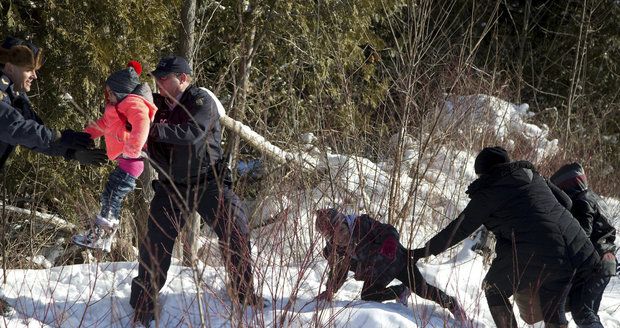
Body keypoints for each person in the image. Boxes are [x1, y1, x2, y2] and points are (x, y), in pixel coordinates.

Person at [129, 55, 264, 325]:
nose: (159, 83)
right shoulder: (153, 105)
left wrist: (150, 130)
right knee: (155, 243)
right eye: (156, 78)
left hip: (209, 183)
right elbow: (126, 108)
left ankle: (244, 294)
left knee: (236, 230)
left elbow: (192, 132)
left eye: (164, 78)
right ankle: (143, 305)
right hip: (171, 186)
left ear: (183, 78)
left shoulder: (201, 100)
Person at [411, 147, 601, 328]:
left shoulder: (489, 191)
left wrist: (424, 251)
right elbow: (566, 202)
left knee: (494, 289)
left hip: (540, 250)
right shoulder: (533, 176)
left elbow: (458, 229)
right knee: (553, 308)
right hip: (580, 247)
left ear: (484, 172)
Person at [0, 36, 107, 317]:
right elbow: (18, 129)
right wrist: (62, 138)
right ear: (9, 65)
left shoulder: (14, 94)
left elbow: (37, 132)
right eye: (29, 68)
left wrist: (71, 152)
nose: (35, 75)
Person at [314, 208, 467, 321]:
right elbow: (340, 269)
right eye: (333, 236)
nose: (340, 237)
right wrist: (330, 290)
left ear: (346, 222)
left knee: (422, 290)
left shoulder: (362, 224)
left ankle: (452, 304)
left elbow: (388, 230)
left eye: (341, 229)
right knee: (368, 296)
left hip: (397, 260)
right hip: (377, 271)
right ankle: (401, 291)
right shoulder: (336, 250)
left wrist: (390, 243)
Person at [72, 61, 157, 252]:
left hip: (133, 161)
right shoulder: (115, 108)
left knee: (112, 194)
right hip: (127, 161)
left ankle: (102, 235)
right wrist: (84, 136)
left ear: (121, 91)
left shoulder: (133, 103)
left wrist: (133, 149)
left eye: (110, 91)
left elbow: (142, 123)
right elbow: (102, 124)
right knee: (111, 194)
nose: (107, 95)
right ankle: (103, 235)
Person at [551, 162, 617, 327]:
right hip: (607, 262)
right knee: (588, 313)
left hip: (595, 263)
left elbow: (582, 236)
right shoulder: (595, 197)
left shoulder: (582, 200)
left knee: (583, 314)